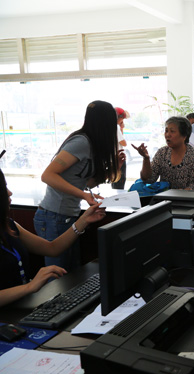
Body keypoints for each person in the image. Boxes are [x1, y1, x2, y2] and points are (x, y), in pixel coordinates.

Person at [35, 100, 123, 270]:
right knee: (58, 276)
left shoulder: (91, 144)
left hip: (68, 216)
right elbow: (47, 175)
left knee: (70, 274)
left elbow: (85, 182)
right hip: (54, 216)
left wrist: (115, 168)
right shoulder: (81, 142)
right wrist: (84, 195)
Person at [0, 169, 106, 307]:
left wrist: (84, 220)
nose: (9, 193)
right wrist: (29, 287)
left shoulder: (8, 225)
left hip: (21, 306)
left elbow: (52, 248)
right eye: (3, 188)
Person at [133, 116, 194, 190]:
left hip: (186, 197)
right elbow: (148, 179)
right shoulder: (162, 153)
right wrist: (146, 159)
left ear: (184, 136)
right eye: (166, 131)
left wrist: (181, 193)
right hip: (163, 197)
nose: (167, 135)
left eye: (172, 131)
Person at [112, 107, 130, 189]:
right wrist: (121, 128)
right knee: (120, 181)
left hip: (114, 157)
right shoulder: (115, 127)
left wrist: (121, 128)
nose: (122, 121)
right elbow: (123, 143)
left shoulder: (110, 127)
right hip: (119, 157)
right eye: (122, 119)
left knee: (115, 180)